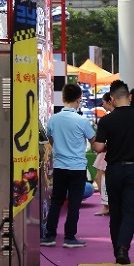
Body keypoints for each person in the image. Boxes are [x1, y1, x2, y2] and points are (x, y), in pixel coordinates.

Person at [92, 81, 134, 264]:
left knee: (116, 211)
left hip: (113, 169)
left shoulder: (106, 120)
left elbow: (98, 147)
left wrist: (107, 145)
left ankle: (117, 249)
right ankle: (123, 247)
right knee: (131, 211)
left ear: (112, 99)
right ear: (129, 97)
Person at [42, 83, 96, 248]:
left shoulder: (54, 119)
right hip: (77, 167)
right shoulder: (82, 121)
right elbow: (94, 142)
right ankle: (69, 237)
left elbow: (50, 140)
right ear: (79, 99)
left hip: (59, 166)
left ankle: (50, 235)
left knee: (56, 200)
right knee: (74, 203)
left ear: (63, 98)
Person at [93, 92, 114, 216]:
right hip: (108, 151)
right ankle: (108, 204)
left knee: (101, 178)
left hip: (107, 152)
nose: (103, 105)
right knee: (100, 177)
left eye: (104, 103)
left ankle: (107, 205)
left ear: (109, 102)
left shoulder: (107, 119)